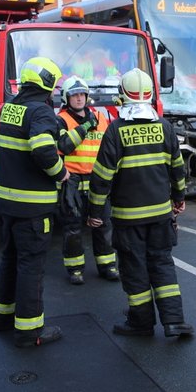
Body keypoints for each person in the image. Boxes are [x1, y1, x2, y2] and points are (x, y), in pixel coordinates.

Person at [87, 69, 192, 339]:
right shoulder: (164, 127)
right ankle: (174, 321)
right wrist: (179, 199)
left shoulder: (116, 131)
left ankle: (141, 323)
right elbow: (178, 169)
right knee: (162, 263)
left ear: (123, 96)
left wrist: (96, 212)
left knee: (135, 269)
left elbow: (101, 178)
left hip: (128, 218)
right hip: (160, 216)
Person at [0, 57, 79, 348]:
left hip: (7, 202)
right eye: (53, 86)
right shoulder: (40, 112)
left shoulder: (10, 109)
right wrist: (62, 172)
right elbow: (43, 151)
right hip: (33, 207)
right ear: (47, 84)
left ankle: (3, 319)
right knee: (31, 267)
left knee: (10, 259)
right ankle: (30, 332)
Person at [55, 75, 120, 285]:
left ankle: (108, 266)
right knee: (73, 228)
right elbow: (65, 145)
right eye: (74, 95)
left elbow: (110, 148)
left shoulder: (100, 118)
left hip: (97, 180)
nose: (79, 99)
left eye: (82, 94)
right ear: (67, 98)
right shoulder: (61, 119)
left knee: (103, 224)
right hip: (72, 181)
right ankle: (75, 270)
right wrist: (85, 127)